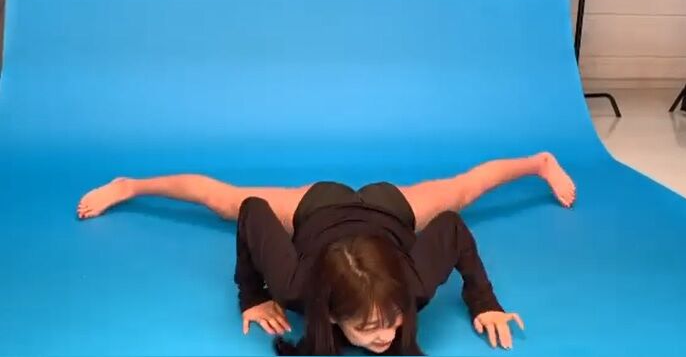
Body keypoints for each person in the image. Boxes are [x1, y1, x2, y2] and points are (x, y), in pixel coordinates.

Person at [77, 152, 576, 355]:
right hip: (318, 208)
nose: (386, 335)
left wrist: (484, 301)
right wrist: (252, 294)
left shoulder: (412, 287)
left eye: (391, 320)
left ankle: (540, 162)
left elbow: (452, 227)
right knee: (224, 201)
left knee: (462, 191)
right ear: (332, 314)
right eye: (370, 326)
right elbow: (251, 211)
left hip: (389, 209)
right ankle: (130, 184)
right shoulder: (295, 286)